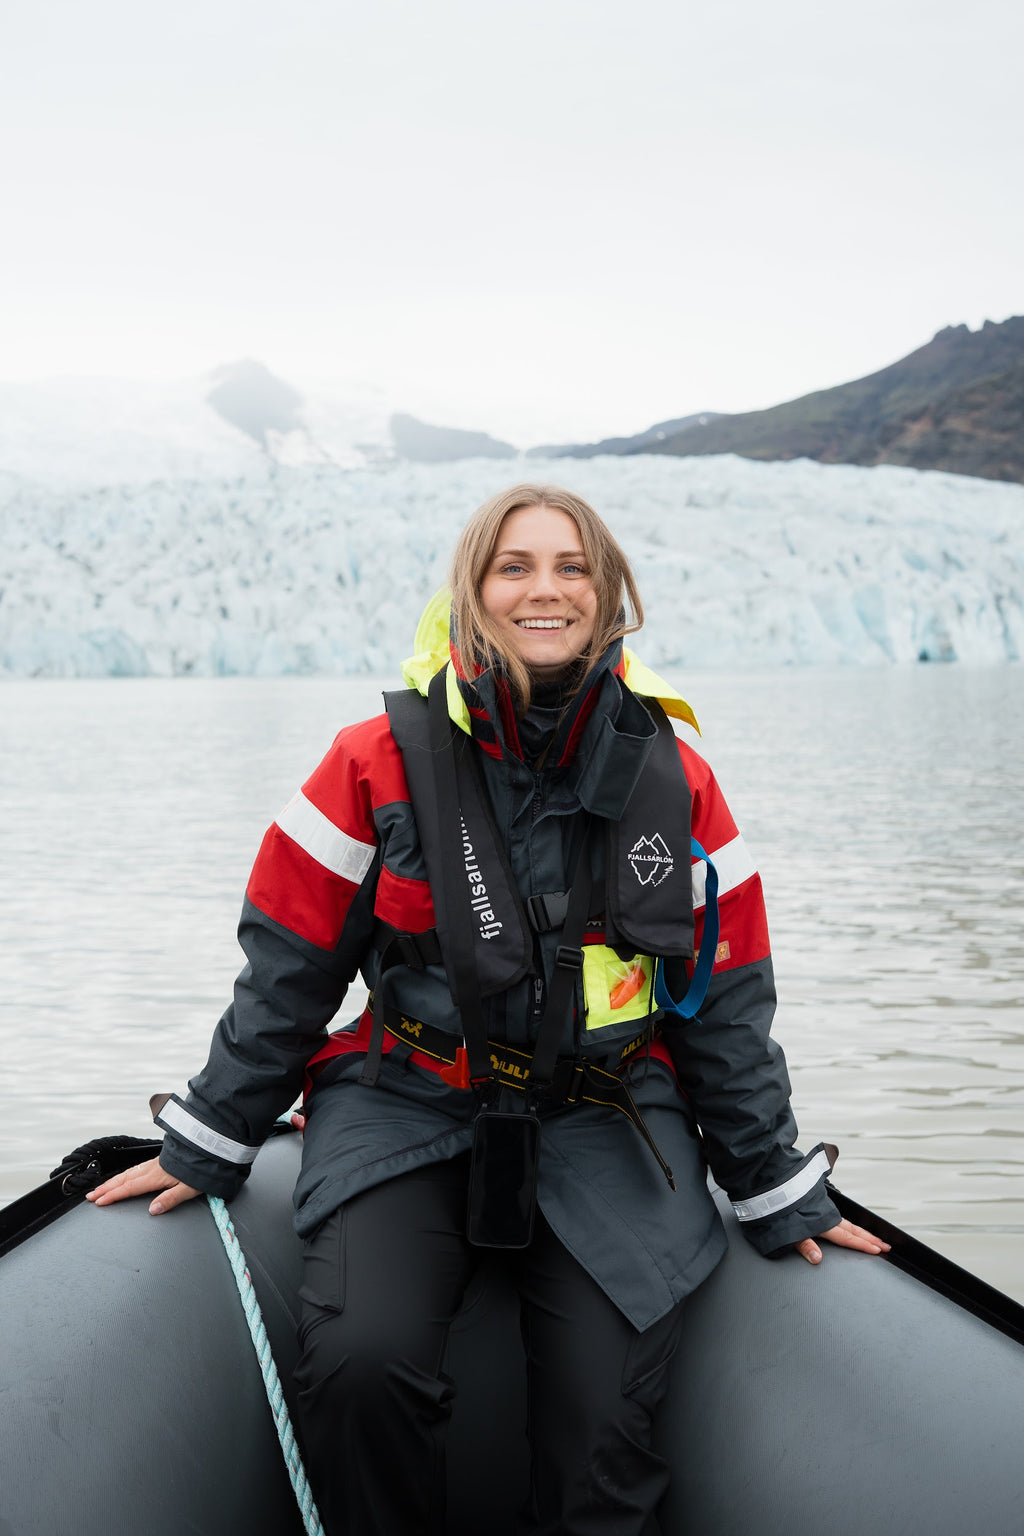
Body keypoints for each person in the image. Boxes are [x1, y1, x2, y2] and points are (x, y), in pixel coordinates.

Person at [90, 484, 888, 1536]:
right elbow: (286, 969)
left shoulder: (679, 777)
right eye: (513, 566)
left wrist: (777, 1187)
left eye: (571, 567)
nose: (543, 589)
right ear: (472, 590)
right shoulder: (370, 760)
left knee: (605, 1422)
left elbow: (726, 1004)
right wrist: (207, 1140)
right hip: (405, 1104)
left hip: (608, 1121)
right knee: (363, 1365)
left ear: (609, 597)